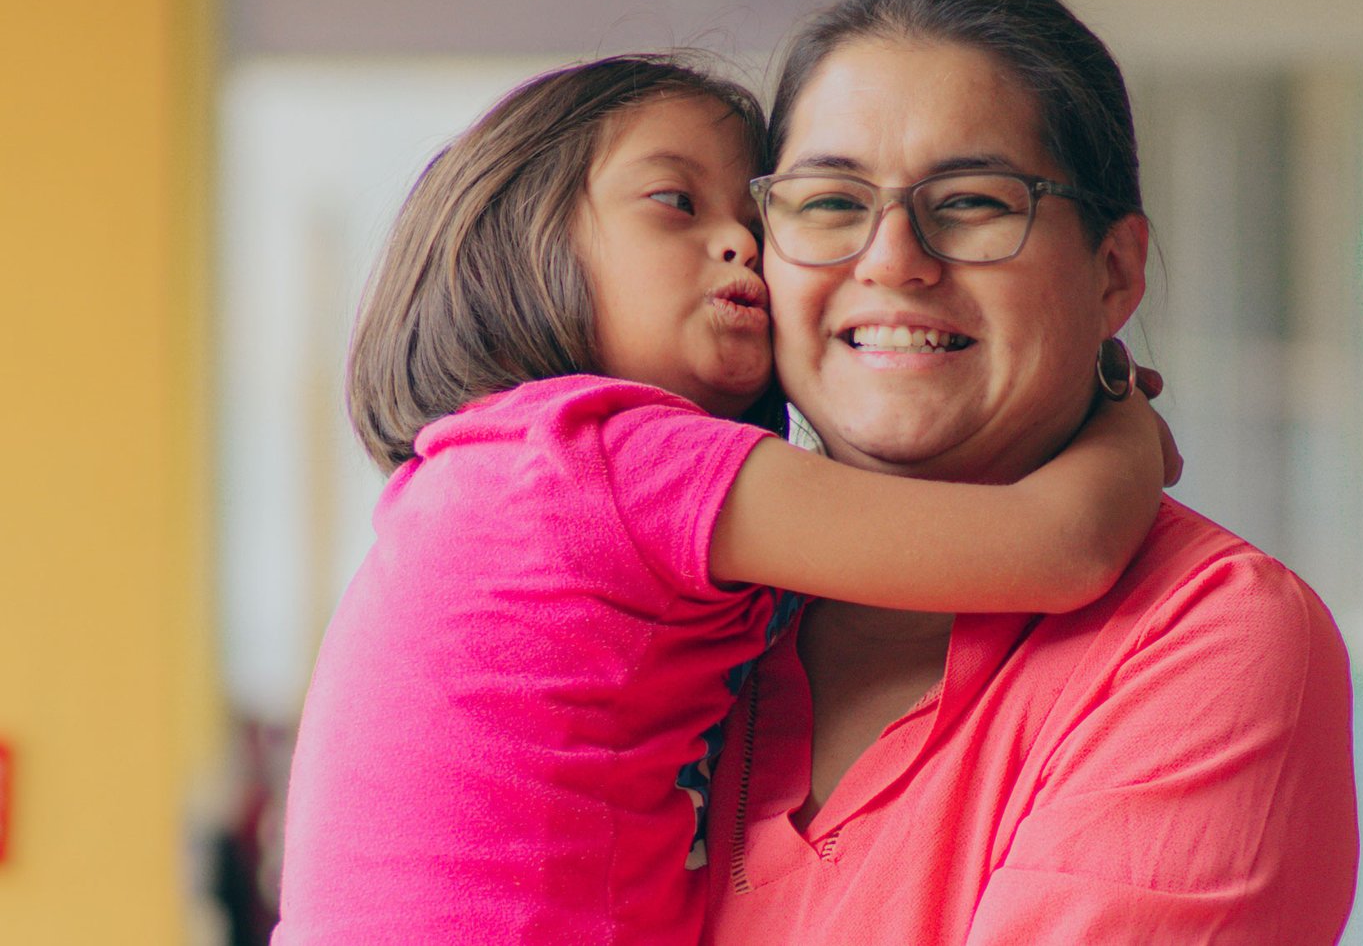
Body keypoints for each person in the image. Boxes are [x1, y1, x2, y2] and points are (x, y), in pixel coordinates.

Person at [272, 55, 1176, 944]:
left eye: (757, 216)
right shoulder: (619, 461)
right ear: (526, 242)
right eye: (676, 201)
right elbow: (1061, 547)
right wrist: (1120, 415)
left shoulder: (487, 471)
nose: (742, 241)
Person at [700, 0, 1359, 944]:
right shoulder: (668, 601)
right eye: (830, 201)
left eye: (972, 201)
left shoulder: (1204, 639)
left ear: (1115, 270)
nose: (889, 260)